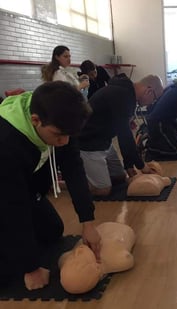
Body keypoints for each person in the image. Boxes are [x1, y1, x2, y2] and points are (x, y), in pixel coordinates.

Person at [0, 81, 101, 290]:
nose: (64, 142)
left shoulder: (61, 121)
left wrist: (88, 221)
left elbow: (74, 170)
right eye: (58, 135)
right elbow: (13, 206)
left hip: (25, 188)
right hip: (5, 193)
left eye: (69, 136)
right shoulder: (6, 143)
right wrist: (31, 267)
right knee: (7, 274)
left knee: (52, 230)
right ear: (36, 121)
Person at [78, 74, 164, 196]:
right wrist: (140, 165)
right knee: (104, 190)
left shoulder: (127, 94)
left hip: (104, 141)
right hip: (88, 143)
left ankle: (93, 176)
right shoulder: (122, 95)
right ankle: (73, 182)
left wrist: (129, 165)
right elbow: (125, 134)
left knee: (119, 178)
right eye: (154, 99)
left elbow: (123, 131)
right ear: (149, 91)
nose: (151, 103)